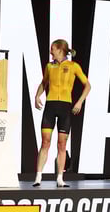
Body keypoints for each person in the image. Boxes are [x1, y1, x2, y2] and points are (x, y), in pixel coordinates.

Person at [33, 39, 91, 187]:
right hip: (50, 106)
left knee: (62, 144)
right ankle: (38, 177)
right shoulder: (49, 66)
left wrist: (79, 102)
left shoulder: (73, 66)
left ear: (60, 50)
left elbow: (87, 85)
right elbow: (44, 82)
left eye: (52, 49)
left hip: (65, 107)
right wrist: (37, 96)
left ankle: (60, 178)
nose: (50, 51)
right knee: (45, 141)